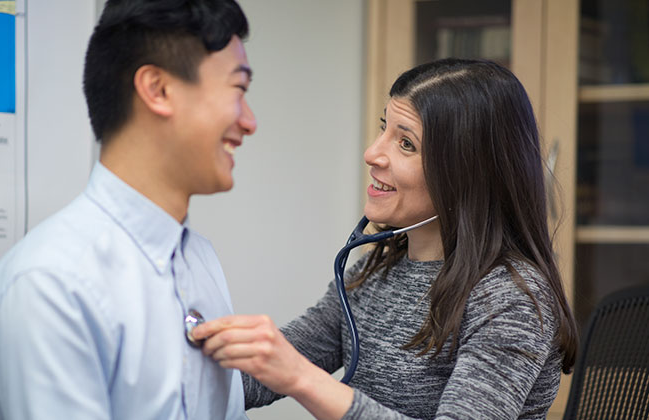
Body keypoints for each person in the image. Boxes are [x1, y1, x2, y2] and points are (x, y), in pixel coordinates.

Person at [193, 58, 579, 419]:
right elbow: (258, 378)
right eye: (384, 129)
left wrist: (302, 379)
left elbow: (294, 370)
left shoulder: (512, 297)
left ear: (466, 176)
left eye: (406, 143)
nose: (372, 153)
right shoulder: (374, 272)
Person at [0, 1, 256, 419]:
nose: (250, 121)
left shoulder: (201, 260)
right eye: (238, 90)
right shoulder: (52, 284)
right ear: (158, 89)